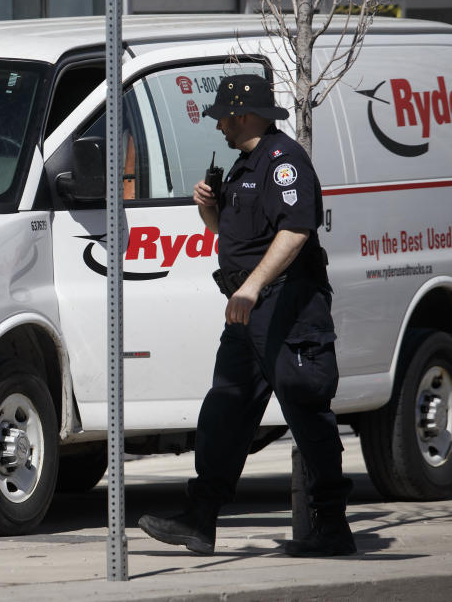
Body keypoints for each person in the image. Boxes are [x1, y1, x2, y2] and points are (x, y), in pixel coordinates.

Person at [137, 74, 355, 558]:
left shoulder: (283, 162)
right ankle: (201, 520)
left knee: (306, 409)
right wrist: (209, 211)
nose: (219, 126)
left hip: (287, 305)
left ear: (243, 114)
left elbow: (296, 230)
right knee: (225, 411)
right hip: (250, 309)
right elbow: (237, 238)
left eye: (222, 117)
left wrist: (253, 287)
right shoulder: (242, 166)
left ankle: (331, 527)